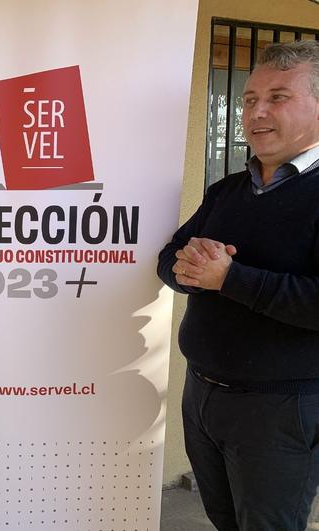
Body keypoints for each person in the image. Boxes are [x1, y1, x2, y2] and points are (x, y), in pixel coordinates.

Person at [158, 40, 319, 531]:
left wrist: (229, 278)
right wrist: (189, 268)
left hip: (280, 407)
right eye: (249, 99)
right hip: (202, 393)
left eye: (278, 97)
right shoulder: (227, 190)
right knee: (223, 519)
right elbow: (169, 258)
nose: (256, 112)